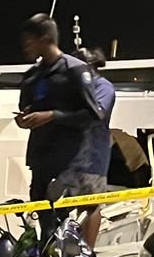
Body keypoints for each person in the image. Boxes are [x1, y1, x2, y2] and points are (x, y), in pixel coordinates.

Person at [16, 14, 102, 234]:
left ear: (45, 38)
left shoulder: (74, 70)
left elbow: (92, 116)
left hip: (68, 164)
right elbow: (27, 107)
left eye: (29, 40)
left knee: (62, 227)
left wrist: (53, 116)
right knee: (45, 227)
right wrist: (24, 119)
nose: (25, 46)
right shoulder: (32, 76)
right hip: (40, 160)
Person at [72, 47, 117, 250]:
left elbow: (95, 114)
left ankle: (87, 251)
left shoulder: (103, 87)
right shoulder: (76, 88)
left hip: (92, 156)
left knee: (90, 204)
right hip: (72, 156)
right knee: (70, 205)